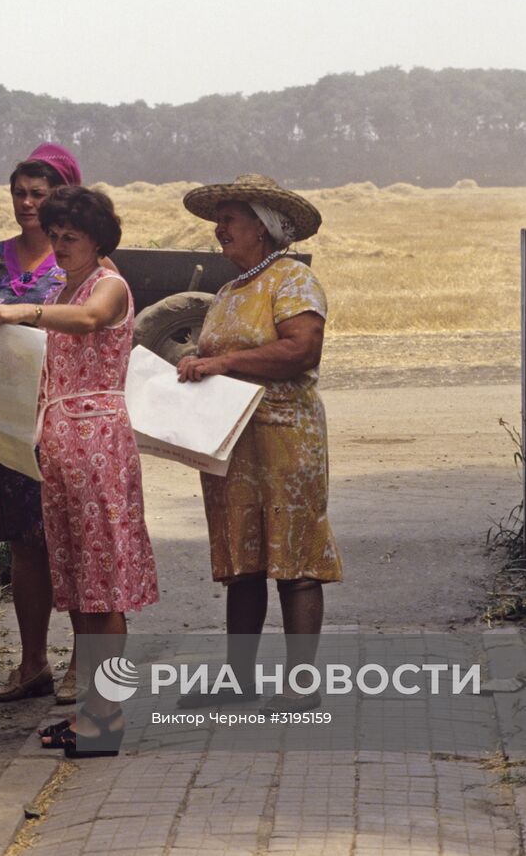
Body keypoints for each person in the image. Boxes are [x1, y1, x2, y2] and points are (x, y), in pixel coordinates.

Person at [0, 185, 158, 758]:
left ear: (98, 241)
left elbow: (88, 321)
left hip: (97, 442)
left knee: (104, 590)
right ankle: (92, 715)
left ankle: (106, 721)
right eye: (55, 236)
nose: (60, 246)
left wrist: (22, 310)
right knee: (84, 587)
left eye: (72, 237)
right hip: (64, 444)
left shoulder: (107, 286)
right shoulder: (69, 282)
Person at [176, 174, 343, 714]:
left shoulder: (291, 279)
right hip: (232, 445)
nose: (219, 228)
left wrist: (222, 362)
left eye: (230, 218)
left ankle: (300, 684)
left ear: (265, 227)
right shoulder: (227, 293)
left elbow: (302, 351)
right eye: (219, 219)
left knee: (294, 554)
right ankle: (238, 679)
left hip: (284, 439)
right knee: (241, 556)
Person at [0, 142, 85, 706]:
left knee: (70, 542)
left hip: (64, 425)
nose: (27, 204)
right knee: (24, 545)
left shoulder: (84, 267)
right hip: (6, 425)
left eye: (39, 194)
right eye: (20, 193)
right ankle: (31, 663)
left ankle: (81, 664)